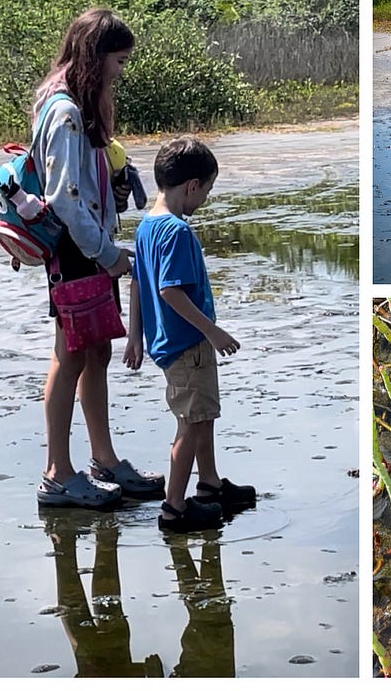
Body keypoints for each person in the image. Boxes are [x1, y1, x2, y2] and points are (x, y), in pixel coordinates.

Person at [35, 8, 165, 509]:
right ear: (95, 58)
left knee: (96, 352)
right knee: (69, 354)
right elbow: (64, 199)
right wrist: (109, 255)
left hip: (86, 245)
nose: (120, 71)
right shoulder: (65, 110)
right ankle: (57, 473)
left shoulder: (72, 105)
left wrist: (115, 178)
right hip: (76, 249)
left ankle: (103, 460)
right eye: (118, 61)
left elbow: (78, 185)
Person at [123, 136, 256, 533]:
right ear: (192, 186)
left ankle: (210, 484)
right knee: (190, 422)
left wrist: (135, 336)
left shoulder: (148, 225)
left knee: (203, 415)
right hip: (187, 344)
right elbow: (169, 290)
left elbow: (136, 284)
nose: (205, 199)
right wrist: (213, 332)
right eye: (208, 190)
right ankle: (175, 508)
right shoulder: (176, 232)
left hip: (169, 342)